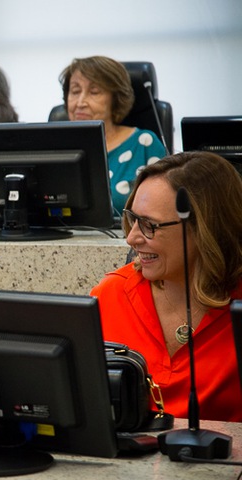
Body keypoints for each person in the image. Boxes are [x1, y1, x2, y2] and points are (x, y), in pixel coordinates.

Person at [90, 151, 242, 422]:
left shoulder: (237, 305)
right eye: (132, 219)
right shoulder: (111, 294)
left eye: (149, 225)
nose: (132, 238)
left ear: (204, 228)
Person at [60, 56, 167, 215]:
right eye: (75, 91)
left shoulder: (145, 143)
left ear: (115, 99)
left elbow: (164, 208)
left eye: (94, 92)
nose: (80, 102)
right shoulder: (55, 146)